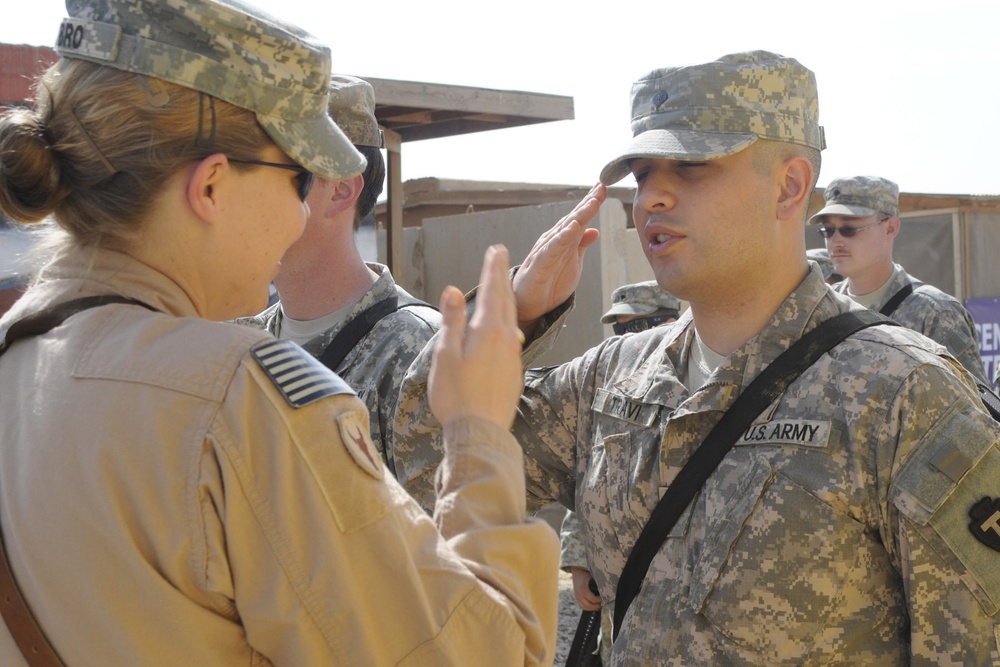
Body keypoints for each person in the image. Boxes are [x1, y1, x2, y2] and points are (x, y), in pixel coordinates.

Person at [0, 0, 559, 664]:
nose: (301, 215)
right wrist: (479, 435)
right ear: (210, 186)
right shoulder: (235, 401)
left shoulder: (19, 360)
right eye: (297, 177)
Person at [396, 50, 1000, 664]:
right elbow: (421, 468)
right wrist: (515, 319)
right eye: (642, 173)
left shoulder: (902, 394)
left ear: (789, 186)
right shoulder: (608, 382)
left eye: (690, 166)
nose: (652, 196)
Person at [237, 74, 442, 510]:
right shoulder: (237, 342)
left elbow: (436, 561)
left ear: (341, 190)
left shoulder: (418, 353)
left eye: (266, 170)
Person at [561, 279, 682, 664]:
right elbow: (585, 471)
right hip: (620, 584)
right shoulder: (612, 384)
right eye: (619, 328)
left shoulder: (700, 377)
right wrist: (580, 560)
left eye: (634, 326)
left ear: (667, 321)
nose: (625, 338)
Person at [810, 175, 990, 384]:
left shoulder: (935, 313)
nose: (835, 241)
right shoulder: (825, 307)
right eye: (828, 230)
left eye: (849, 229)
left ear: (890, 228)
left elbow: (974, 409)